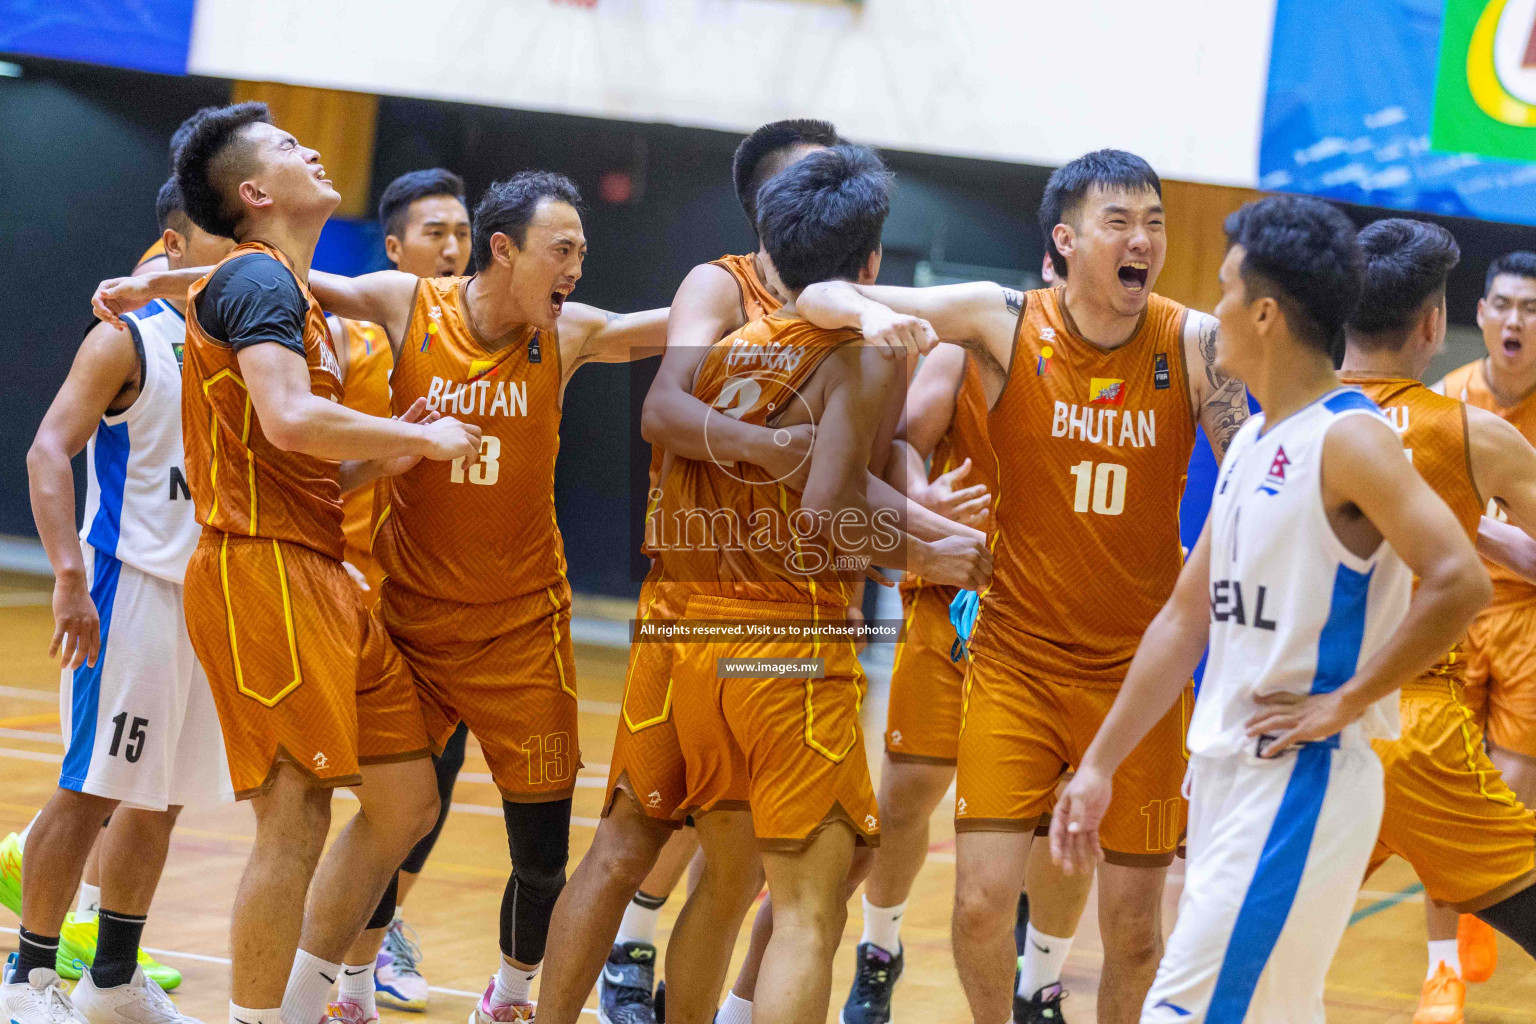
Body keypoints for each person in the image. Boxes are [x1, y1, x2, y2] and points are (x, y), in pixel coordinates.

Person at [792, 148, 1248, 1024]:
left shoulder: (1193, 343)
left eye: (1154, 221)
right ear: (1065, 241)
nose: (1143, 239)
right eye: (1120, 222)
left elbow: (1261, 479)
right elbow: (818, 297)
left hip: (1137, 677)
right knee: (975, 904)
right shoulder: (999, 322)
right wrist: (859, 310)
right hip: (1014, 661)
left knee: (1135, 930)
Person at [239, 171, 672, 1024]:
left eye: (583, 251)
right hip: (409, 629)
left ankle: (508, 997)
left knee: (544, 855)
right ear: (504, 249)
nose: (578, 267)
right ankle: (337, 993)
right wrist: (160, 280)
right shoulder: (409, 305)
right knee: (396, 824)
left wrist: (774, 295)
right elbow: (279, 278)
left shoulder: (570, 333)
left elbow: (657, 328)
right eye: (565, 249)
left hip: (522, 633)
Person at [1052, 194, 1491, 1024]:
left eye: (1222, 291)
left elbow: (1460, 578)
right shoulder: (1254, 440)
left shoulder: (1351, 438)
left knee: (1181, 1011)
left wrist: (1347, 700)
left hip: (1301, 779)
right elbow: (1185, 619)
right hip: (1225, 775)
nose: (1209, 311)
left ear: (1262, 313)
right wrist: (1101, 764)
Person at [94, 101, 481, 1024]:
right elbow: (289, 419)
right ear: (258, 192)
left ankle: (306, 1001)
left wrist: (384, 454)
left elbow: (308, 454)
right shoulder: (261, 281)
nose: (313, 146)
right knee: (297, 811)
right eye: (288, 146)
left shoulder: (279, 286)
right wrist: (419, 442)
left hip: (318, 565)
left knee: (404, 800)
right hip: (255, 566)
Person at [5, 179, 237, 1024]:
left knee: (162, 794)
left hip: (208, 598)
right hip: (129, 587)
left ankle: (111, 979)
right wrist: (68, 575)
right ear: (173, 247)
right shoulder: (128, 341)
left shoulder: (251, 346)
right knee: (93, 786)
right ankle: (27, 978)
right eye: (225, 237)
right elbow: (46, 453)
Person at [1336, 218, 1536, 1024]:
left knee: (1257, 934)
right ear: (1442, 322)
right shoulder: (1462, 421)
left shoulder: (1273, 427)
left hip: (1294, 718)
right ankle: (1459, 927)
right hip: (1413, 713)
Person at [333, 167, 474, 1017]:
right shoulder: (359, 342)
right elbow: (319, 467)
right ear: (392, 249)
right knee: (346, 793)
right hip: (351, 590)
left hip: (438, 600)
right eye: (434, 233)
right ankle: (331, 954)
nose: (452, 247)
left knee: (433, 783)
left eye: (461, 232)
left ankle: (378, 940)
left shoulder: (492, 340)